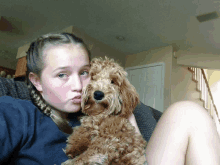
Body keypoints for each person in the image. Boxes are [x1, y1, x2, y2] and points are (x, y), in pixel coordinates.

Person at [0, 32, 219, 165]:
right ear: (36, 81)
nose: (78, 86)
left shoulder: (100, 115)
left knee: (188, 112)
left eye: (84, 72)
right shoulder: (15, 112)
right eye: (62, 75)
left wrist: (129, 127)